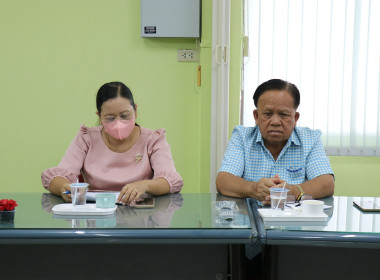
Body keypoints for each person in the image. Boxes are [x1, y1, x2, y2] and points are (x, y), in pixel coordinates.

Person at [41, 82, 183, 205]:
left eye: (125, 115)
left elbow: (169, 181)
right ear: (99, 116)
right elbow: (57, 178)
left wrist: (145, 185)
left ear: (136, 110)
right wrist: (64, 188)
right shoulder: (86, 137)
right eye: (110, 118)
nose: (118, 123)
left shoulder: (153, 139)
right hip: (97, 213)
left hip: (140, 213)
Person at [216, 79, 334, 205]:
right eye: (268, 114)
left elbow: (326, 183)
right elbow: (223, 181)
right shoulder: (242, 137)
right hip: (249, 218)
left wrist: (293, 190)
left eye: (283, 114)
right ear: (256, 116)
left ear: (295, 118)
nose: (275, 121)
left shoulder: (310, 139)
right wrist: (253, 189)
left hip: (294, 220)